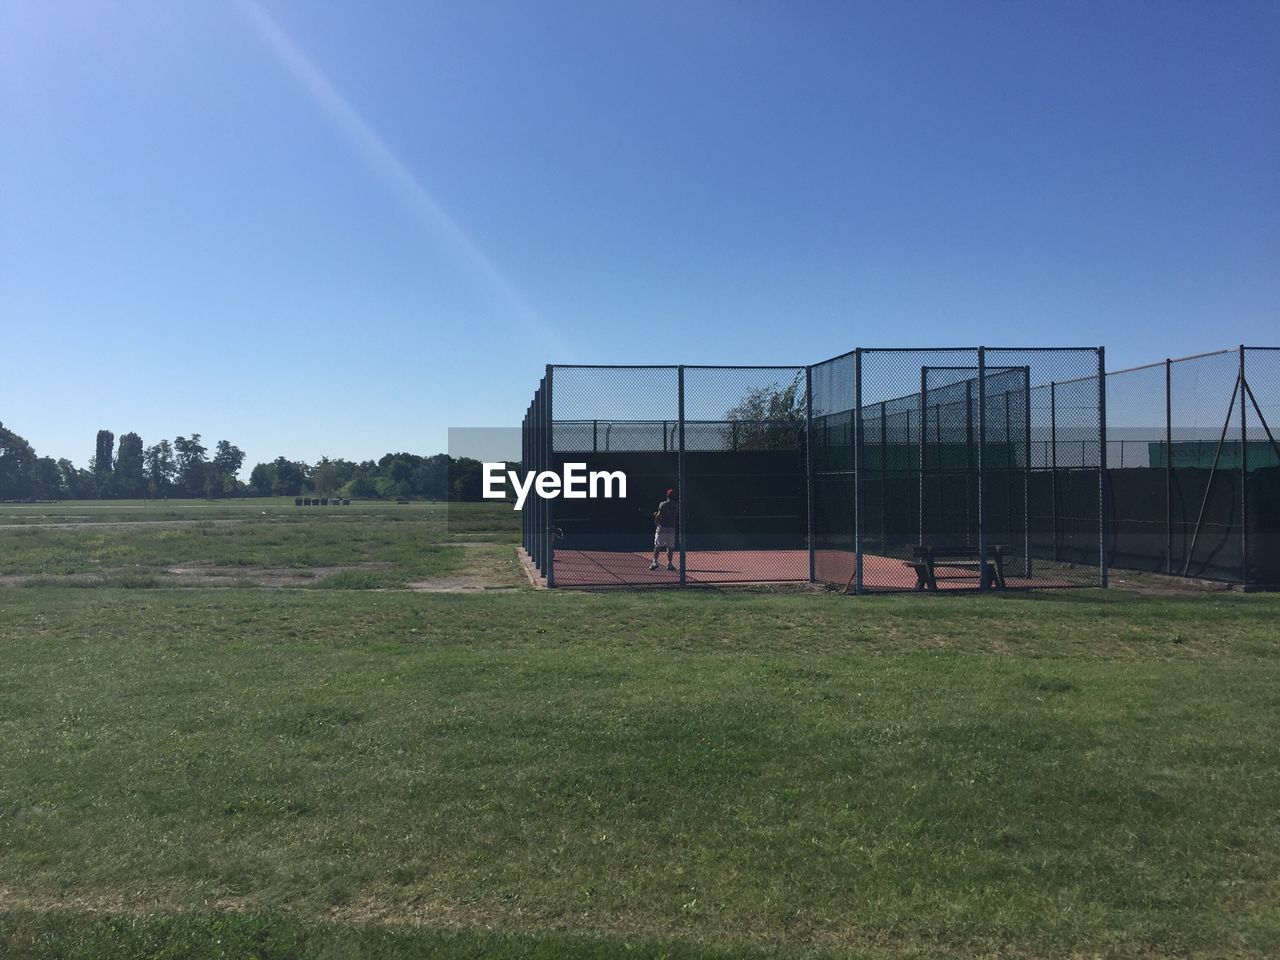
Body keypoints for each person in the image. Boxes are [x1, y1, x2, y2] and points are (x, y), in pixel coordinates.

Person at [650, 488, 678, 571]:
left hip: (662, 528)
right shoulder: (676, 505)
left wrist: (656, 520)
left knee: (658, 545)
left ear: (667, 496)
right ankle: (669, 563)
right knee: (670, 547)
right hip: (671, 528)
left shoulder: (663, 504)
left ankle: (655, 562)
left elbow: (659, 516)